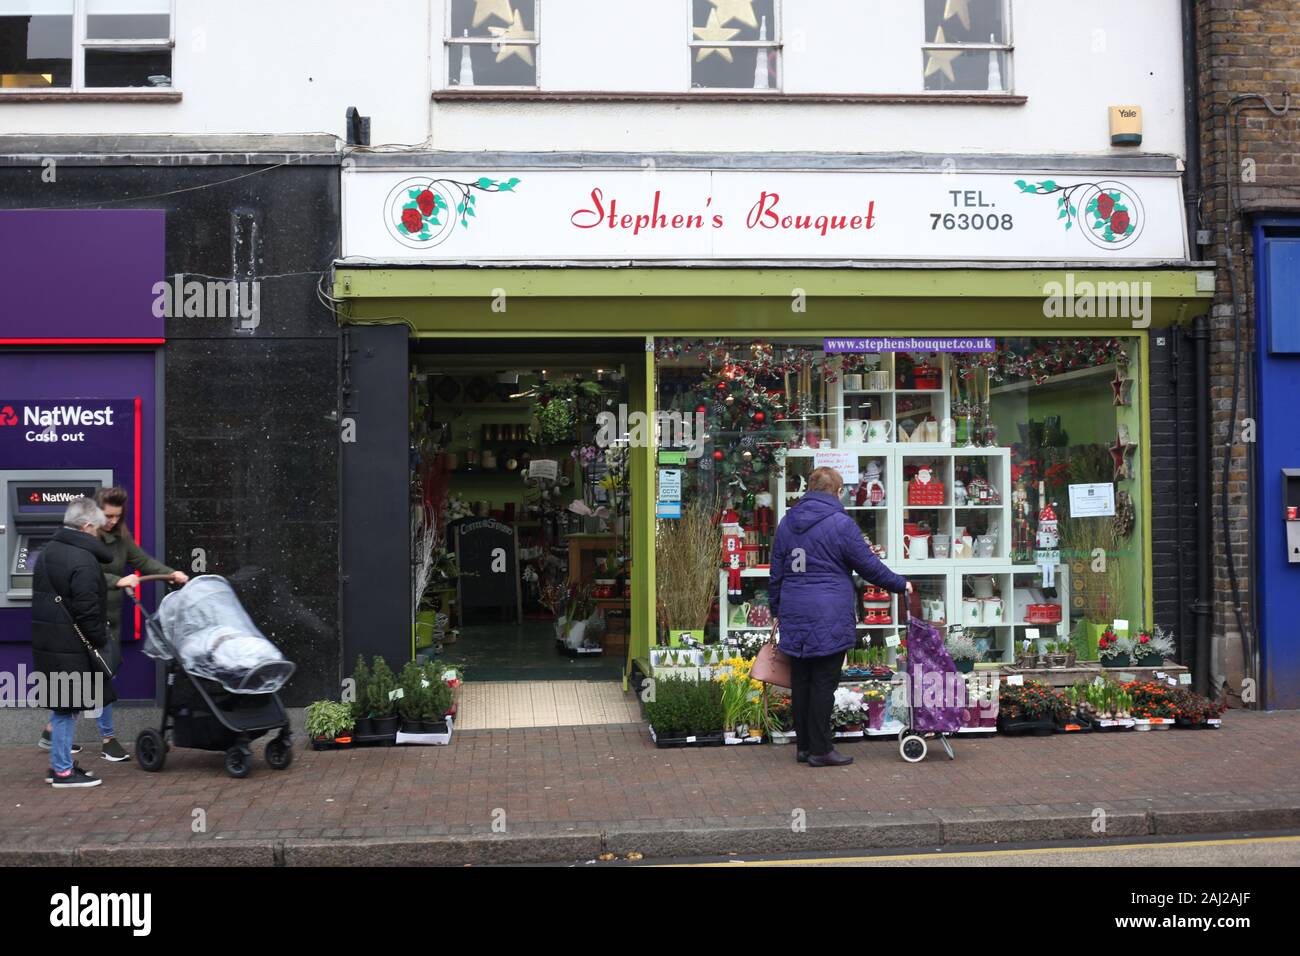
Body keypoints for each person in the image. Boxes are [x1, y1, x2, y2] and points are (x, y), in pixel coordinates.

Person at [769, 466, 911, 767]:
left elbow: (777, 571)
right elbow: (868, 566)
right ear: (836, 491)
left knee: (802, 681)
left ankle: (805, 747)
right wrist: (901, 584)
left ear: (809, 488)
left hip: (795, 610)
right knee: (823, 682)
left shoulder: (786, 522)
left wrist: (775, 610)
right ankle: (821, 750)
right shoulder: (840, 524)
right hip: (828, 613)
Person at [36, 486, 188, 761]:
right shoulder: (83, 542)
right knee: (95, 678)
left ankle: (52, 732)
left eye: (117, 516)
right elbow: (84, 575)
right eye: (107, 515)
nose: (112, 521)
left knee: (91, 678)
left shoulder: (120, 539)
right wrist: (118, 581)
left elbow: (143, 561)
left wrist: (171, 574)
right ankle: (106, 739)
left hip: (108, 619)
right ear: (93, 516)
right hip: (88, 620)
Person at [31, 497, 115, 788]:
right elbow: (87, 609)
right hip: (71, 645)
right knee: (66, 709)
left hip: (49, 642)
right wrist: (100, 640)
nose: (98, 535)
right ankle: (63, 772)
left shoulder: (46, 552)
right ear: (87, 526)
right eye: (97, 530)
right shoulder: (83, 559)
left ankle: (60, 763)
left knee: (62, 706)